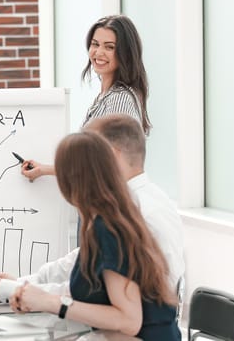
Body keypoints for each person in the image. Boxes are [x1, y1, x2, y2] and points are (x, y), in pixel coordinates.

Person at [0, 114, 184, 305]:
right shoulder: (129, 203)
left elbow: (94, 294)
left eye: (86, 156)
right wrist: (19, 285)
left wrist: (11, 290)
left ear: (110, 155)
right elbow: (79, 264)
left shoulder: (141, 212)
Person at [10, 130, 180, 340]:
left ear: (68, 181)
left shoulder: (108, 228)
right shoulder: (107, 219)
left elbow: (128, 321)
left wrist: (50, 302)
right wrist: (30, 292)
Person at [21, 14, 151, 181]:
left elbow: (110, 163)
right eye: (95, 44)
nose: (99, 52)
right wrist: (44, 169)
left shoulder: (120, 99)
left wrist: (47, 169)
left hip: (107, 203)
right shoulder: (104, 97)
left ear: (124, 54)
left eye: (109, 47)